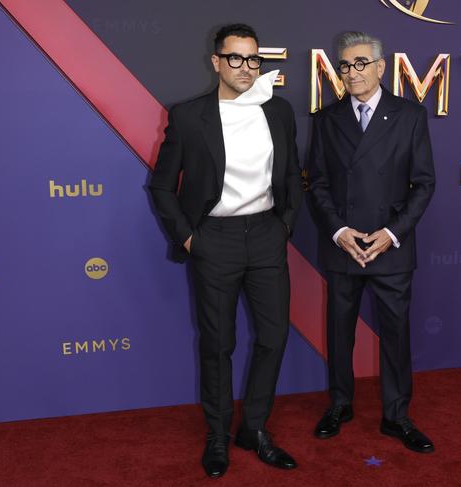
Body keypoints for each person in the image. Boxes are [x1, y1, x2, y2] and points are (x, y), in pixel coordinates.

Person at [148, 23, 302, 478]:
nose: (245, 67)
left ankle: (253, 429)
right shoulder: (188, 115)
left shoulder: (279, 111)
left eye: (253, 59)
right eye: (235, 58)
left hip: (267, 236)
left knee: (274, 338)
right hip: (213, 239)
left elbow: (293, 174)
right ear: (216, 61)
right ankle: (217, 435)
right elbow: (161, 186)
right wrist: (189, 237)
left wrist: (285, 225)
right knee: (218, 345)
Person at [307, 31, 436, 453]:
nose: (353, 72)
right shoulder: (327, 119)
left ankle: (397, 415)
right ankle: (340, 404)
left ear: (381, 68)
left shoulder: (409, 115)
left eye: (362, 63)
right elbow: (319, 185)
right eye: (345, 65)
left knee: (396, 335)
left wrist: (393, 233)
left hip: (390, 246)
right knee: (340, 332)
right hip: (344, 245)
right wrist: (341, 232)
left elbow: (424, 184)